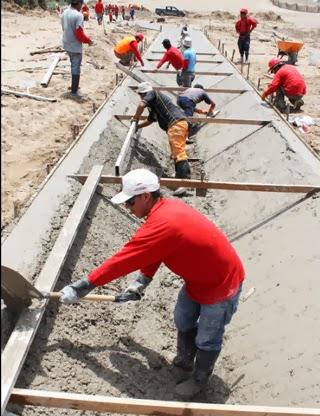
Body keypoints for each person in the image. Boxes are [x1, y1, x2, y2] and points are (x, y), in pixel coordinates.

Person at [59, 168, 245, 400]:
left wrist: (81, 287)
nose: (127, 208)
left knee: (207, 337)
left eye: (130, 202)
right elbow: (156, 250)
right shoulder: (164, 211)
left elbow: (123, 260)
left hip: (221, 286)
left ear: (145, 196)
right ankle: (185, 360)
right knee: (183, 319)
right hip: (197, 279)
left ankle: (199, 379)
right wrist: (141, 282)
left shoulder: (163, 223)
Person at [131, 82, 191, 195]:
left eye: (140, 95)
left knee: (179, 153)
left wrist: (135, 118)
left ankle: (184, 182)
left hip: (176, 124)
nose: (141, 97)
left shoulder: (152, 93)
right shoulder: (155, 104)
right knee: (176, 152)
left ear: (143, 93)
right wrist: (137, 126)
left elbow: (141, 105)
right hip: (178, 124)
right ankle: (179, 175)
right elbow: (150, 120)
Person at [61, 0, 93, 100]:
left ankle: (74, 86)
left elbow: (63, 28)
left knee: (73, 65)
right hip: (75, 46)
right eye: (81, 4)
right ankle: (74, 92)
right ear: (78, 3)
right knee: (76, 67)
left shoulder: (65, 12)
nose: (81, 6)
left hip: (66, 43)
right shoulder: (78, 15)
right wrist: (88, 41)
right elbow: (79, 34)